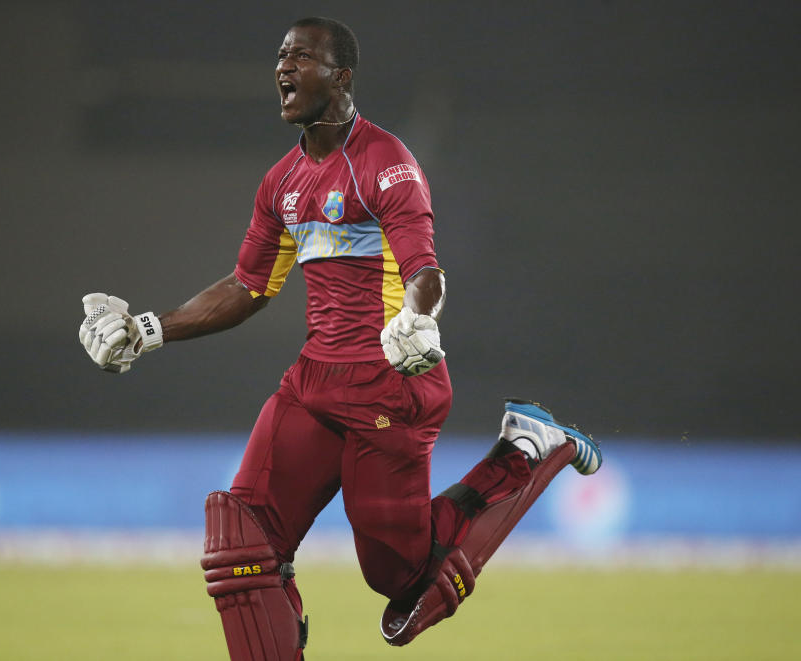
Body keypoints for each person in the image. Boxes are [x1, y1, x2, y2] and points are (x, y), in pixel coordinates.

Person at [78, 16, 601, 660]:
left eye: (301, 57)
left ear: (342, 77)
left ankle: (526, 449)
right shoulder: (282, 183)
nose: (284, 68)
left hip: (389, 383)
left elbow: (424, 270)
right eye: (279, 56)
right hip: (314, 383)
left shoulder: (385, 163)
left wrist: (416, 318)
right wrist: (148, 330)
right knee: (240, 539)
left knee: (401, 583)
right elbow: (247, 288)